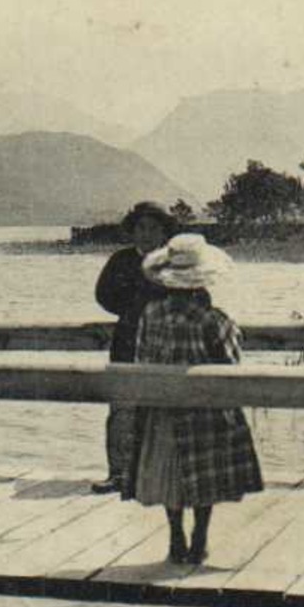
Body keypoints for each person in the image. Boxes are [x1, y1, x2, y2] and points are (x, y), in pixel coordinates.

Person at [124, 234, 264, 565]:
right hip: (204, 408)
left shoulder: (151, 314)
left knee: (170, 473)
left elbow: (142, 357)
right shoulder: (213, 320)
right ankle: (199, 538)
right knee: (205, 476)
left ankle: (175, 536)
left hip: (163, 407)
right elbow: (230, 366)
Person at [91, 201, 177, 493]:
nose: (146, 234)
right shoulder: (121, 260)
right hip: (127, 339)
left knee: (163, 408)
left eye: (153, 228)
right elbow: (103, 295)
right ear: (132, 230)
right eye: (140, 227)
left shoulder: (175, 261)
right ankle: (118, 473)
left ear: (164, 232)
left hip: (166, 342)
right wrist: (132, 310)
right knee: (122, 408)